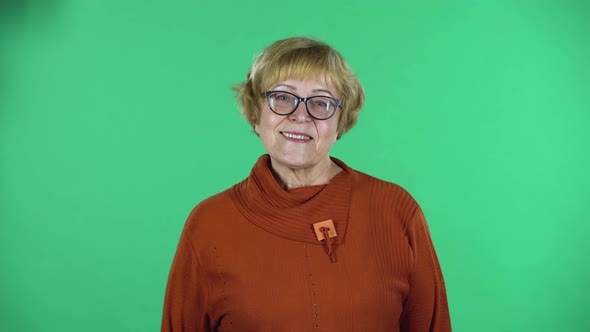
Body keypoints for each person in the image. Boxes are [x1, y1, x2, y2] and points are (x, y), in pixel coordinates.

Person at [161, 36, 452, 332]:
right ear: (255, 113)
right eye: (283, 97)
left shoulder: (396, 211)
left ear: (341, 121)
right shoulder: (210, 223)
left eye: (321, 102)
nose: (300, 116)